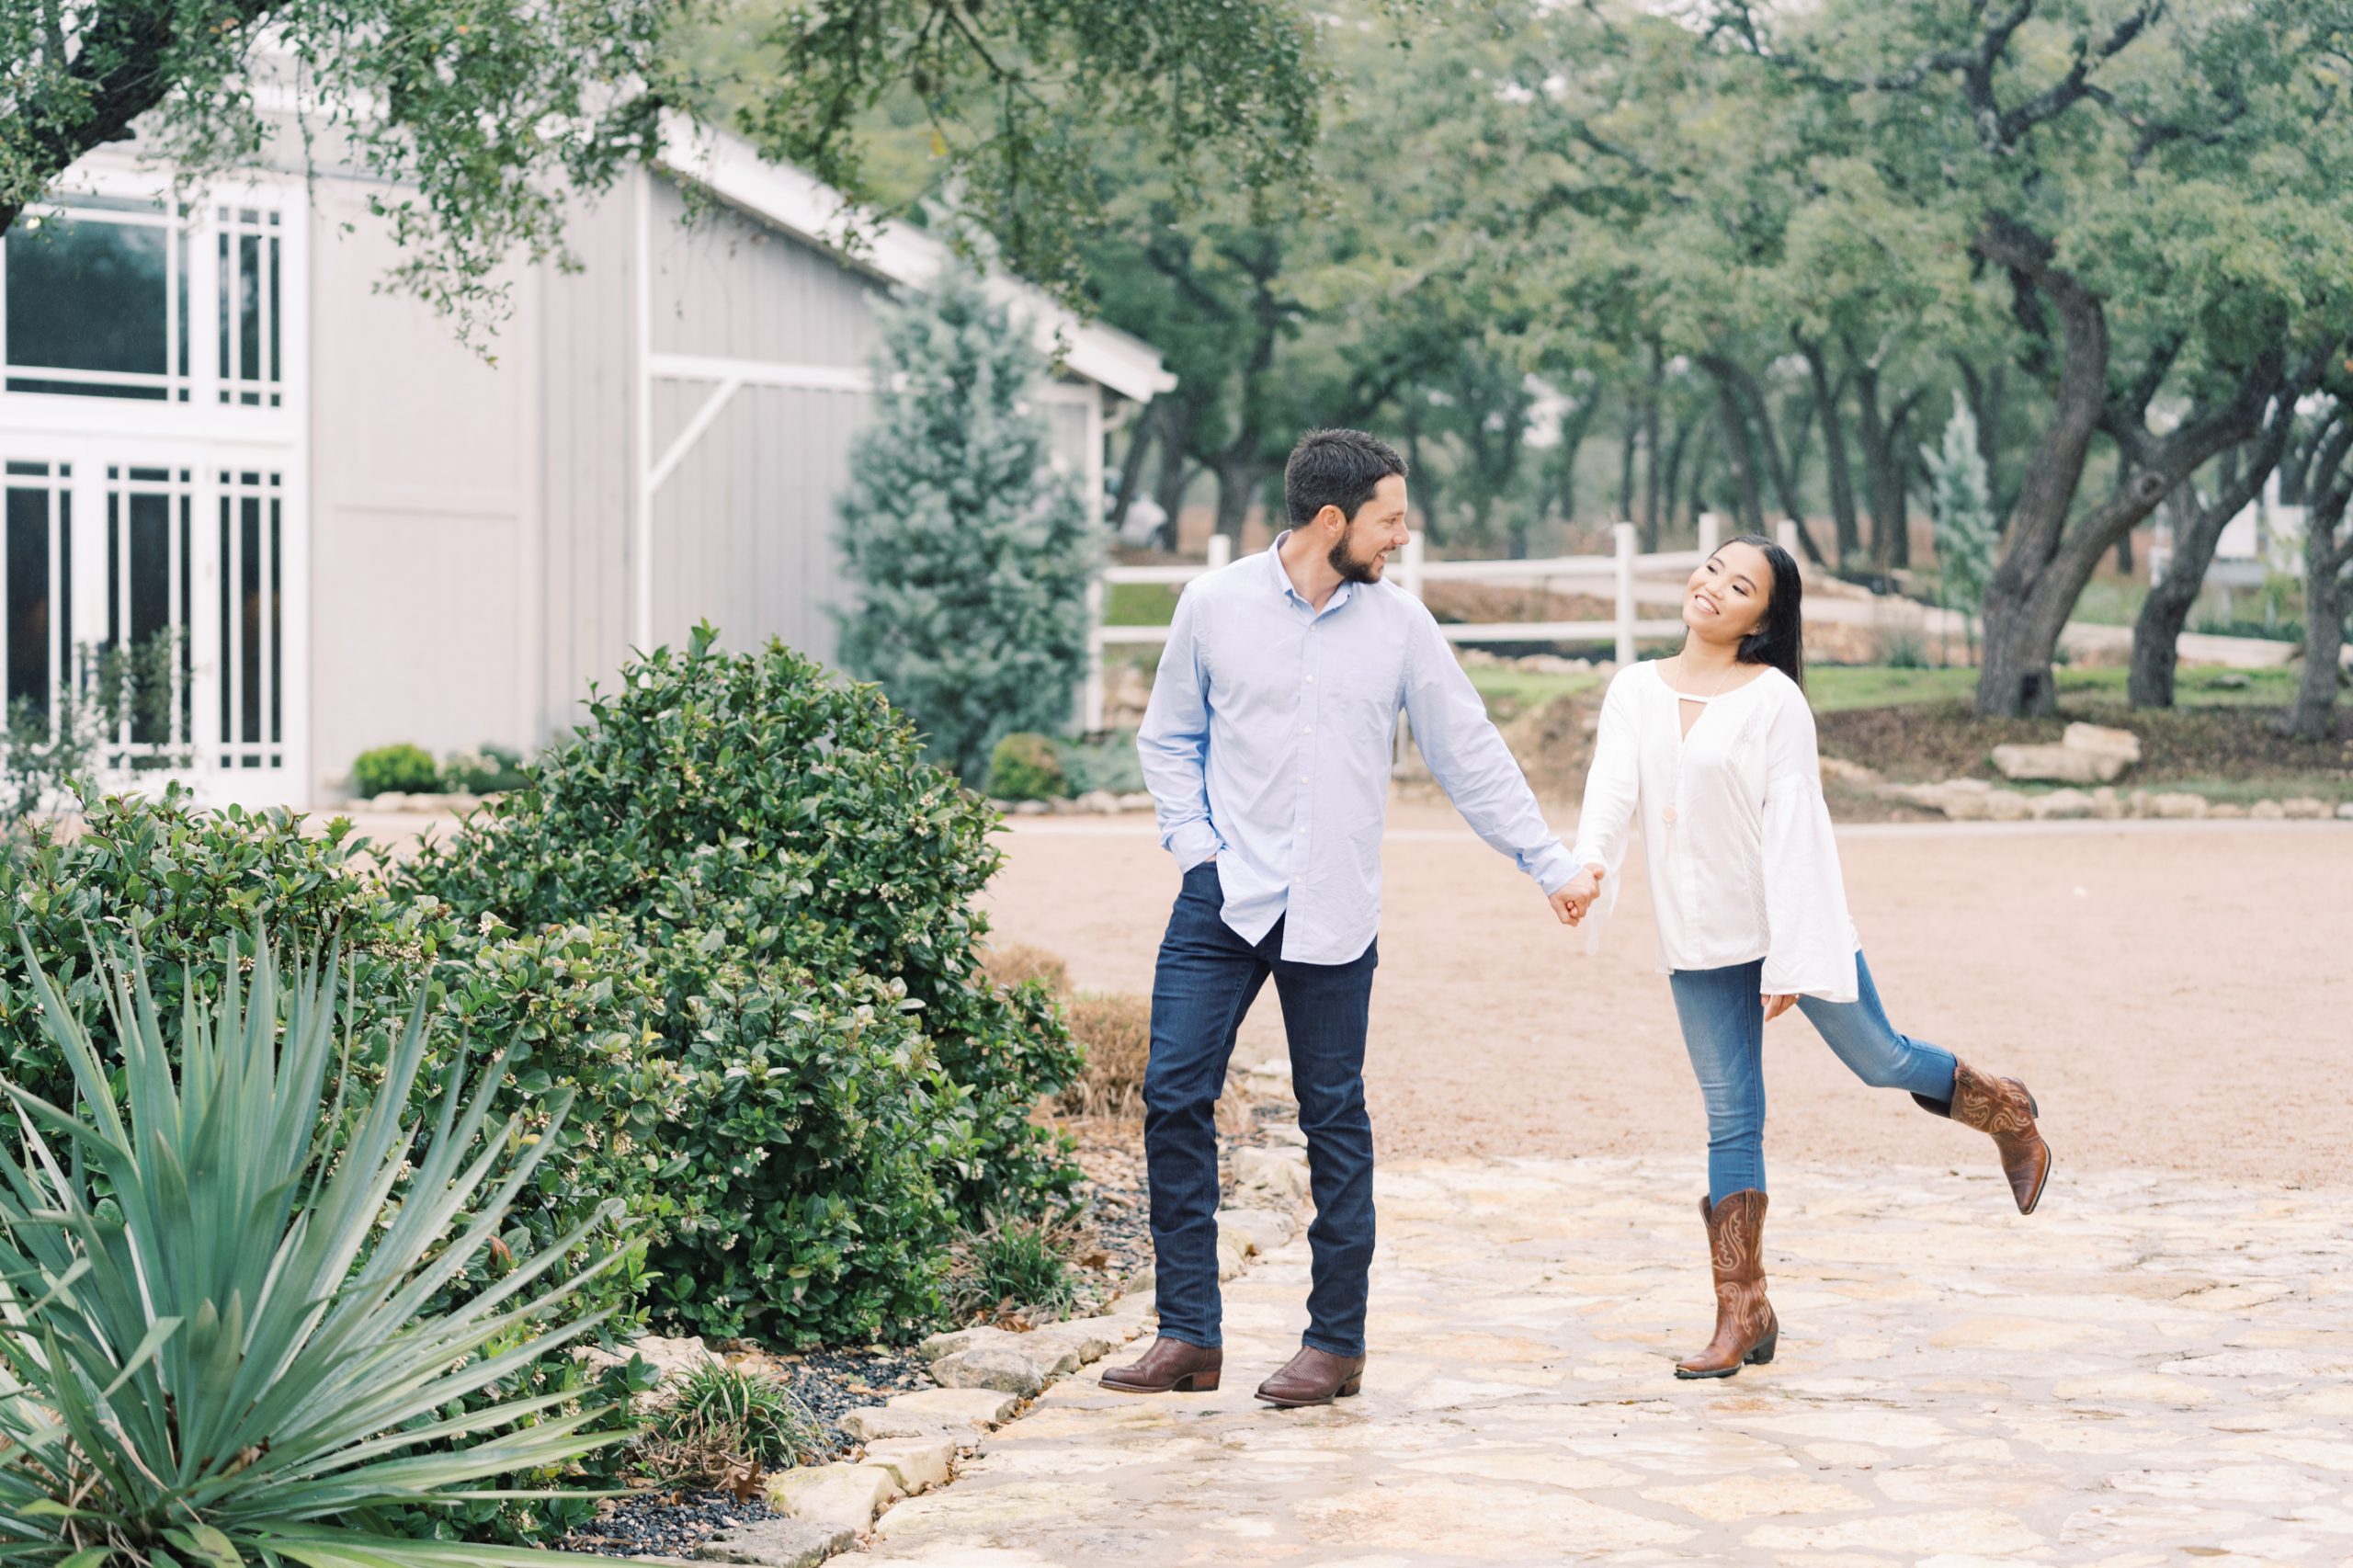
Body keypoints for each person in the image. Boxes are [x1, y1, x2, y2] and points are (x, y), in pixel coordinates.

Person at [1103, 427, 1583, 1408]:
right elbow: (1168, 738)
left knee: (1333, 1119)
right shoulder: (1214, 604)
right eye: (1391, 518)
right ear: (1334, 520)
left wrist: (1547, 861)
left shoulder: (1400, 628)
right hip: (1221, 899)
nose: (1403, 536)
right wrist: (1197, 853)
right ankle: (1188, 1332)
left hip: (1332, 910)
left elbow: (1469, 752)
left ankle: (1335, 1342)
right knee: (1172, 1095)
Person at [1556, 534, 2053, 1380]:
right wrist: (1588, 864)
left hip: (1790, 922)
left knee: (1881, 1059)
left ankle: (2006, 1112)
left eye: (1738, 584)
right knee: (1730, 1116)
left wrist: (1790, 956)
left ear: (1763, 618)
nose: (1712, 586)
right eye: (1710, 568)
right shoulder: (1634, 689)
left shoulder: (1774, 700)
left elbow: (1795, 832)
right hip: (1699, 938)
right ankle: (1741, 1309)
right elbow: (1610, 791)